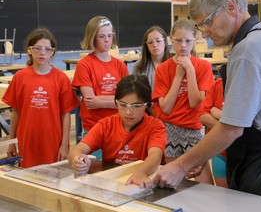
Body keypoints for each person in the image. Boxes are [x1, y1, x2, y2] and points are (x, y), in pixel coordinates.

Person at [153, 0, 261, 201]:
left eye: (207, 23)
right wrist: (202, 155)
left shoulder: (249, 49)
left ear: (231, 7)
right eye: (200, 27)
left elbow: (232, 128)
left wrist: (181, 165)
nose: (205, 33)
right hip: (254, 156)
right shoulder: (258, 38)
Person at [68, 74, 167, 189]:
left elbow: (156, 156)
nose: (128, 112)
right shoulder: (106, 125)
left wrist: (141, 172)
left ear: (147, 105)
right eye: (123, 105)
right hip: (112, 184)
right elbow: (77, 150)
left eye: (136, 106)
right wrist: (78, 160)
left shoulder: (155, 126)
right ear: (116, 103)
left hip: (141, 185)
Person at [2, 28, 79, 168]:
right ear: (30, 50)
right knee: (28, 178)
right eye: (37, 48)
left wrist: (64, 145)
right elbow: (15, 112)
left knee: (54, 178)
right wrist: (12, 142)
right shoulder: (20, 77)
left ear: (53, 52)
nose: (42, 53)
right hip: (27, 141)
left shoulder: (60, 78)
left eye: (47, 49)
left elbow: (65, 114)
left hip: (53, 142)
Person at [152, 18, 214, 184]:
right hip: (169, 129)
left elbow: (195, 103)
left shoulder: (203, 67)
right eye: (178, 41)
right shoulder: (163, 69)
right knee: (177, 182)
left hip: (192, 129)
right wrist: (179, 76)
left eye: (188, 41)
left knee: (205, 183)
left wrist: (190, 70)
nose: (183, 45)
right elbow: (165, 108)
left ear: (195, 40)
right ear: (171, 40)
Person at [72, 16, 129, 159]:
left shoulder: (120, 65)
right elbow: (90, 101)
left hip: (118, 127)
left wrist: (100, 101)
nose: (107, 40)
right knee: (95, 172)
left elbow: (127, 100)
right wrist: (117, 102)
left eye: (110, 36)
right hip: (94, 128)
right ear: (93, 38)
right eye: (102, 36)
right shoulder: (85, 65)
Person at [199, 77, 228, 188]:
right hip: (219, 152)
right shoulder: (218, 84)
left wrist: (218, 114)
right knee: (223, 195)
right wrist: (228, 127)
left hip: (242, 155)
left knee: (241, 199)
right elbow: (203, 116)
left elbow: (243, 123)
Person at [132, 26, 171, 91]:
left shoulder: (175, 64)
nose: (155, 45)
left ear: (165, 42)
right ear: (146, 45)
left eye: (158, 41)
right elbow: (134, 92)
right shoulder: (138, 66)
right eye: (150, 42)